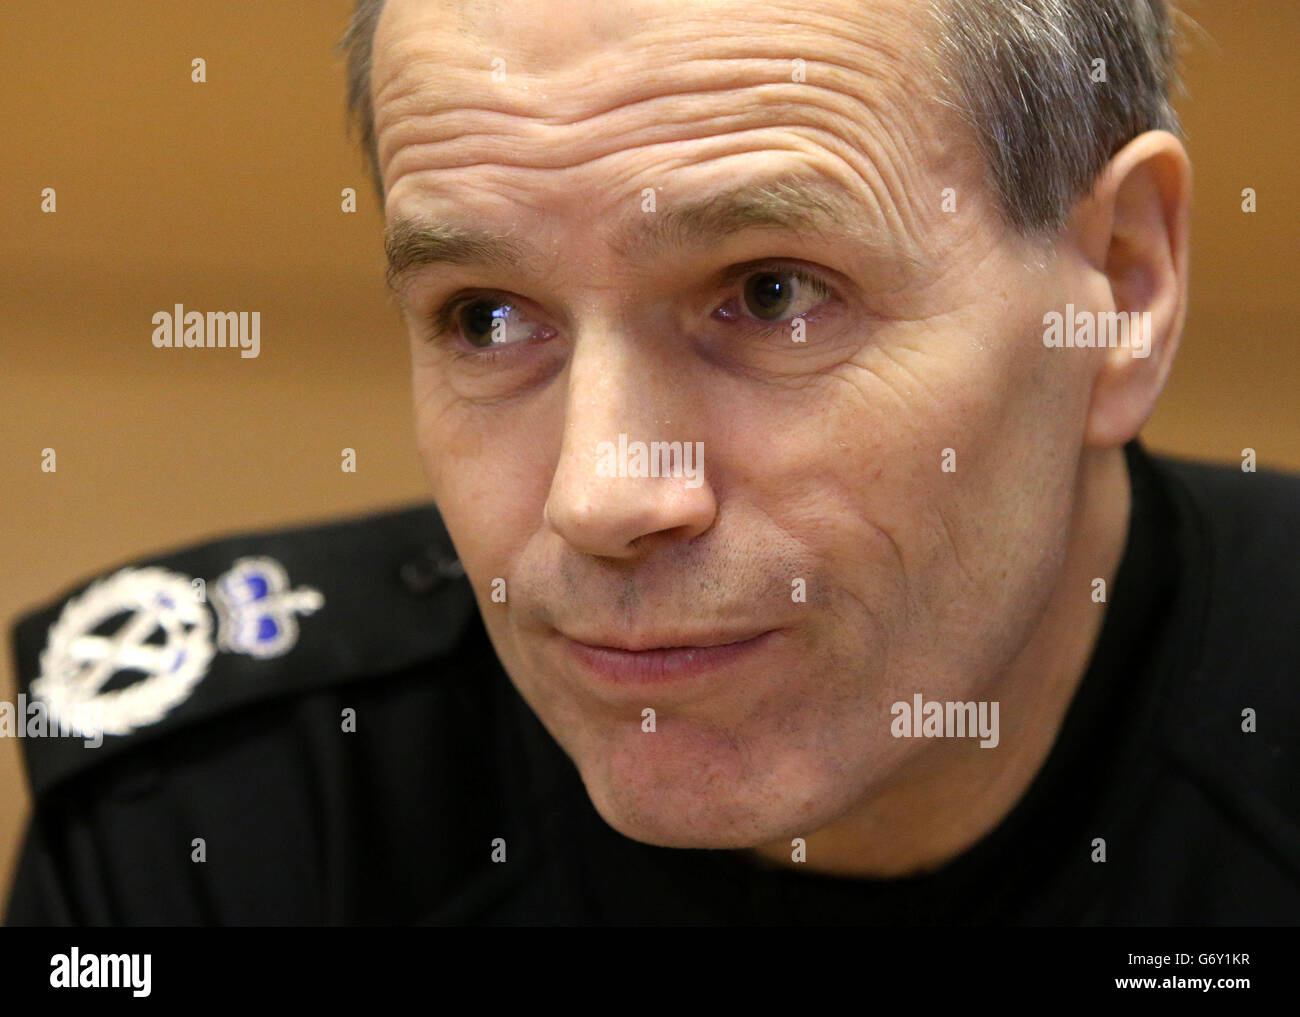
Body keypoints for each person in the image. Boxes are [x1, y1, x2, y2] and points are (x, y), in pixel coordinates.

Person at [6, 0, 1299, 925]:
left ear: (1123, 284)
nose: (601, 494)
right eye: (486, 317)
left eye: (774, 292)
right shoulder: (222, 834)